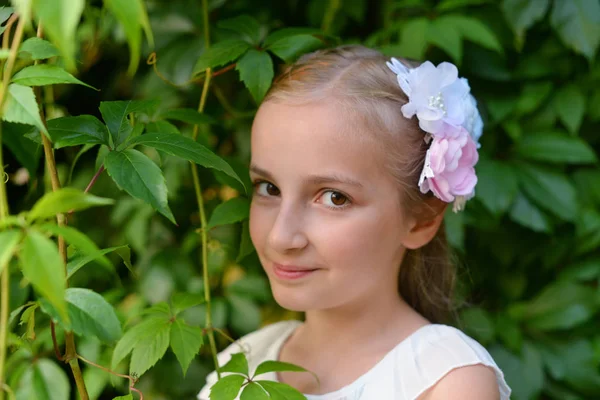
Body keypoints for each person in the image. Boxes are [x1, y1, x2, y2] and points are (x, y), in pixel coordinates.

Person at [198, 45, 511, 400]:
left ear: (421, 220)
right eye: (268, 188)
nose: (280, 237)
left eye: (334, 197)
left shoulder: (446, 381)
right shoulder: (244, 362)